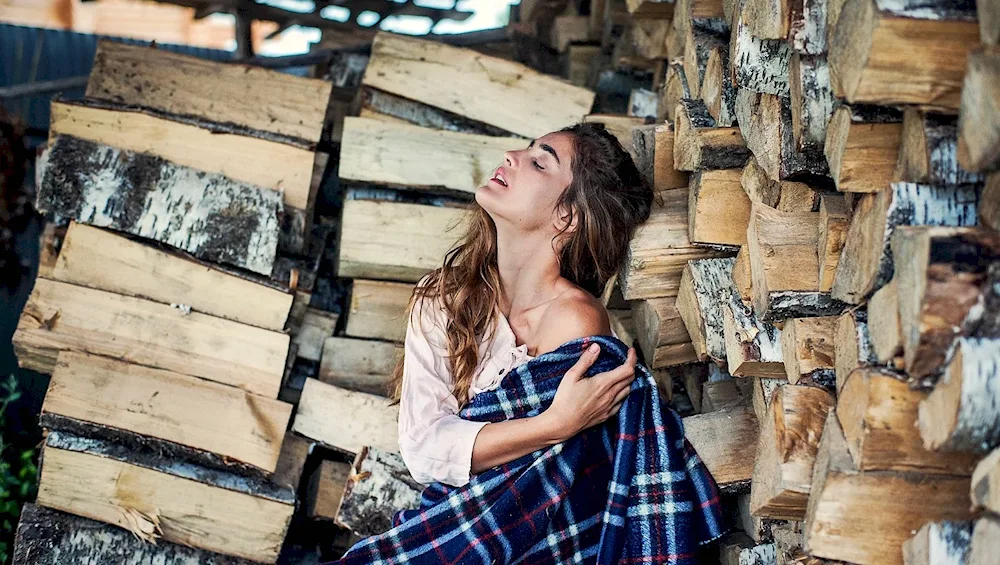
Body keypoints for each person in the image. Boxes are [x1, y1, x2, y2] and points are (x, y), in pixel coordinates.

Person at [330, 122, 725, 565]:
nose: (512, 156)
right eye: (526, 149)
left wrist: (550, 431)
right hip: (456, 525)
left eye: (540, 161)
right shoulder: (440, 299)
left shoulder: (575, 320)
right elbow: (423, 449)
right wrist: (552, 425)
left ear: (567, 217)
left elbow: (545, 484)